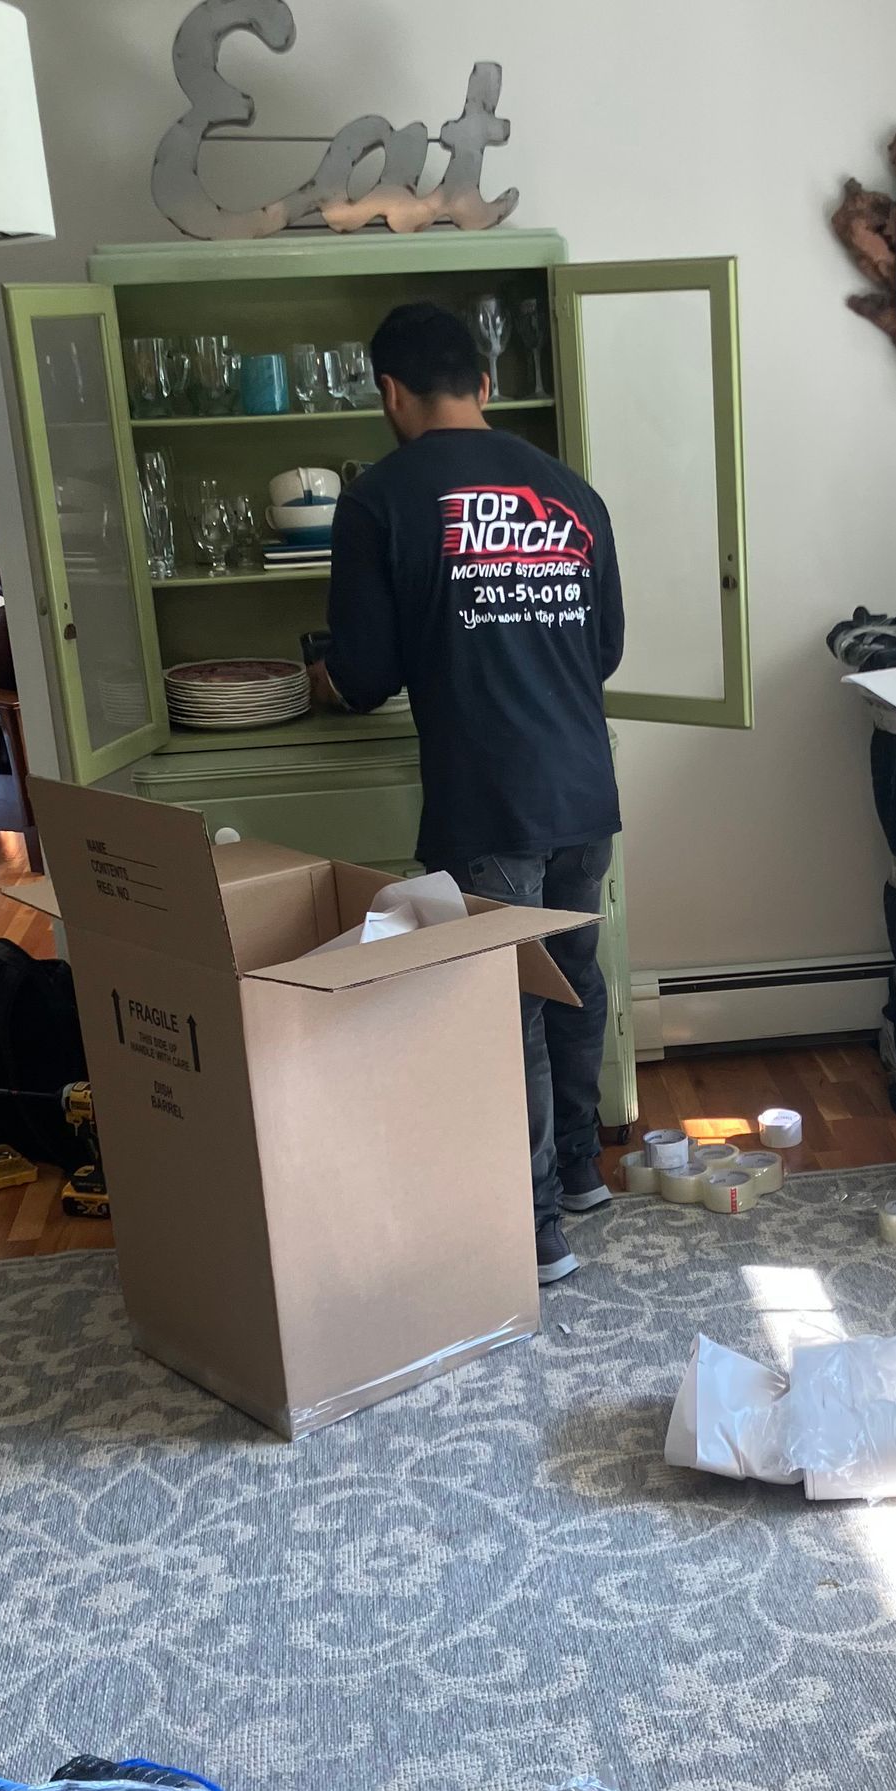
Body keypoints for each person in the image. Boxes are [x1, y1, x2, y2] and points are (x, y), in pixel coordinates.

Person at [315, 302, 624, 1286]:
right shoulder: (572, 493)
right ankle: (579, 1173)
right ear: (485, 386)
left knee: (508, 1007)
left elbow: (362, 674)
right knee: (571, 982)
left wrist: (332, 670)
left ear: (391, 392)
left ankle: (534, 1233)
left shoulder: (380, 501)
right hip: (583, 785)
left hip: (488, 794)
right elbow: (605, 647)